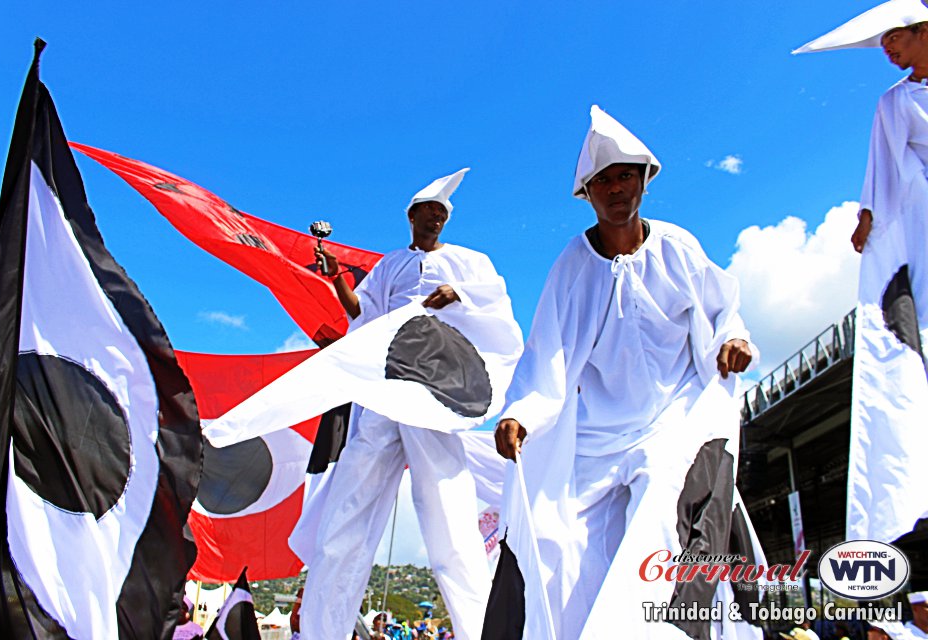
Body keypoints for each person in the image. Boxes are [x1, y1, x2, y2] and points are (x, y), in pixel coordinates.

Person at [494, 105, 756, 638]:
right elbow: (548, 352)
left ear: (644, 182)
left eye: (625, 177)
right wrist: (519, 413)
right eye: (603, 181)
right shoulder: (571, 265)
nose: (615, 188)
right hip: (595, 434)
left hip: (671, 418)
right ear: (587, 194)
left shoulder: (678, 248)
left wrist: (734, 337)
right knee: (561, 545)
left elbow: (722, 309)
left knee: (664, 517)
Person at [299, 169, 521, 640]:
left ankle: (481, 631)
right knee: (347, 514)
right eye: (429, 212)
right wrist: (335, 273)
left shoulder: (468, 261)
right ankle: (321, 631)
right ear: (412, 217)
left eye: (442, 214)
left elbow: (496, 297)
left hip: (433, 390)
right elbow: (360, 312)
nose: (436, 220)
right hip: (387, 388)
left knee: (449, 515)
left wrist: (458, 292)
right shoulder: (391, 265)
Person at [793, 0, 928, 545]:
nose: (887, 49)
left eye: (893, 38)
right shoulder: (895, 103)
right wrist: (869, 217)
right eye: (882, 43)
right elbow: (883, 170)